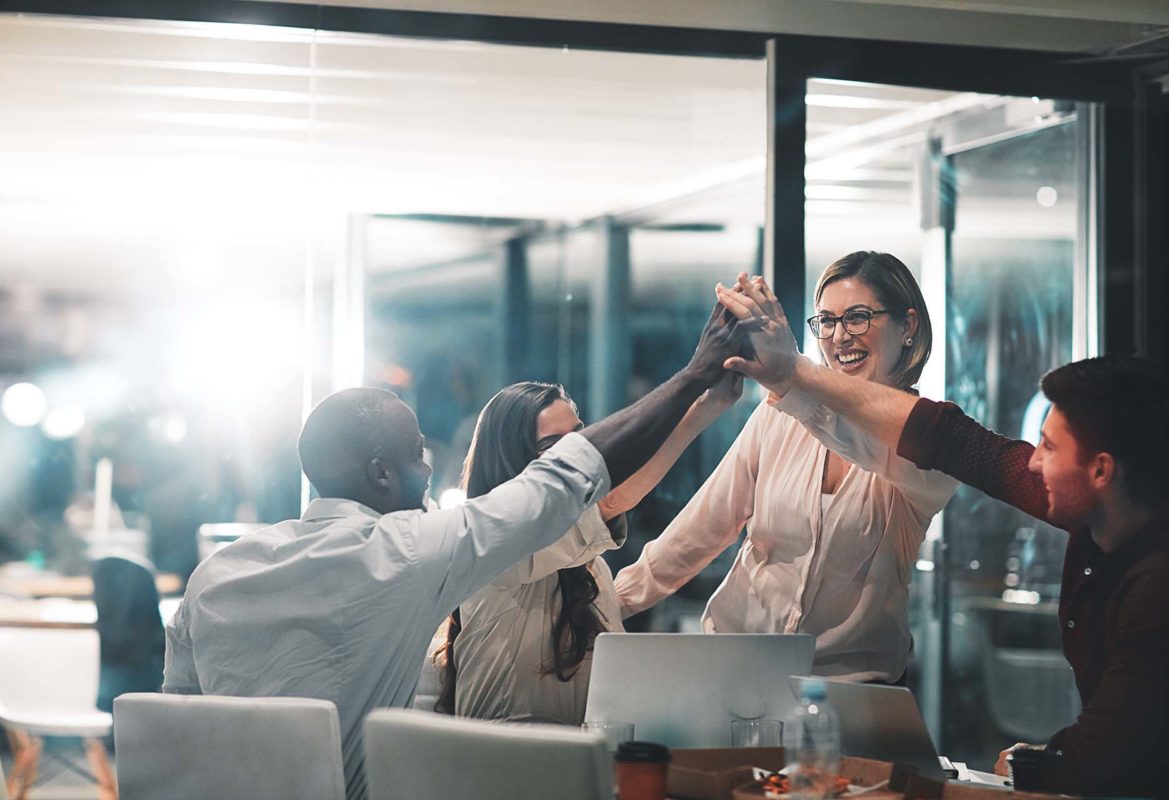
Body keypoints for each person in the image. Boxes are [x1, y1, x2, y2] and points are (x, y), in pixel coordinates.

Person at [162, 303, 746, 800]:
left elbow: (179, 714)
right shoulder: (405, 554)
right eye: (418, 453)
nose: (431, 465)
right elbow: (563, 484)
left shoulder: (217, 572)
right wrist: (694, 375)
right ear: (381, 474)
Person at [716, 273, 1169, 800]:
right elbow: (966, 446)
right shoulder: (1106, 529)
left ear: (1103, 471)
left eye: (1049, 447)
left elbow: (1110, 753)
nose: (1034, 461)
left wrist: (918, 791)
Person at [614, 252, 958, 684]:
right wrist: (608, 606)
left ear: (907, 327)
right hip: (735, 668)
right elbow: (702, 527)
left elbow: (867, 442)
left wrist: (791, 376)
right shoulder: (779, 416)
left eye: (857, 318)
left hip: (852, 693)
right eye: (827, 321)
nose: (839, 337)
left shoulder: (937, 439)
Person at [440, 375, 740, 724]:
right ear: (510, 461)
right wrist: (700, 408)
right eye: (554, 446)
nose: (576, 458)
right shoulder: (489, 543)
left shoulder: (589, 567)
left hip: (572, 759)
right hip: (499, 761)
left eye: (579, 439)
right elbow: (611, 502)